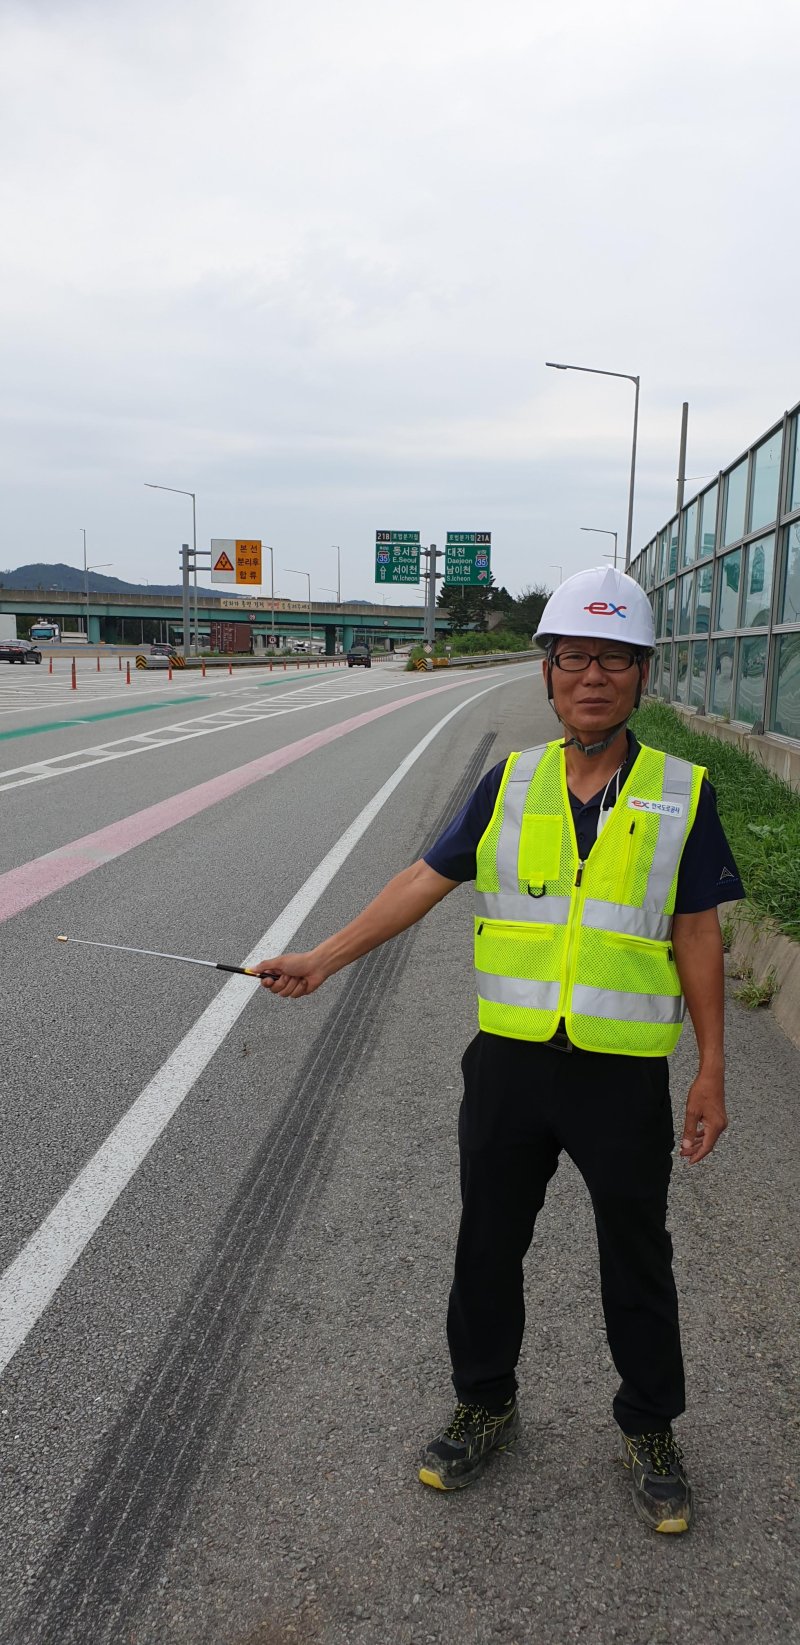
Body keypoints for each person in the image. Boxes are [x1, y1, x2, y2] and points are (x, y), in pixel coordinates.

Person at [253, 565, 744, 1535]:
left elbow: (696, 932)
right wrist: (323, 957)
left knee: (635, 1255)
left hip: (618, 1075)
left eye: (612, 658)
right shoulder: (509, 783)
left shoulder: (681, 792)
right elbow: (421, 878)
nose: (590, 676)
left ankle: (648, 1426)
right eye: (573, 657)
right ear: (548, 672)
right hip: (510, 1064)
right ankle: (483, 1405)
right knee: (486, 1245)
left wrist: (713, 1070)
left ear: (641, 676)